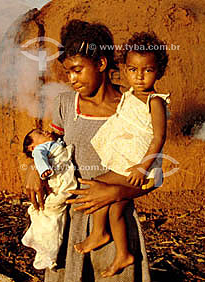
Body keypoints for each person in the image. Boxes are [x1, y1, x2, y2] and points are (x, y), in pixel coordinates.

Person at [24, 20, 155, 282]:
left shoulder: (133, 108)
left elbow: (154, 175)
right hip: (70, 223)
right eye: (68, 73)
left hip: (113, 225)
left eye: (77, 70)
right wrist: (32, 169)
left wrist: (116, 191)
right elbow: (52, 146)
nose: (72, 79)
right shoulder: (65, 105)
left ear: (101, 64)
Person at [76, 31, 170, 277]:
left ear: (159, 71)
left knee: (97, 186)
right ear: (125, 69)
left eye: (147, 70)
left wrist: (143, 167)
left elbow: (159, 138)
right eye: (133, 70)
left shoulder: (155, 102)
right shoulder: (128, 94)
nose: (139, 77)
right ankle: (124, 254)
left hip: (139, 168)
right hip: (125, 163)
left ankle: (98, 233)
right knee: (116, 209)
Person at [21, 128, 77, 270]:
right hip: (55, 180)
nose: (45, 131)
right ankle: (47, 250)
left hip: (63, 178)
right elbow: (39, 158)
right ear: (31, 147)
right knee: (52, 212)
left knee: (55, 218)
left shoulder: (55, 143)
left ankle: (47, 249)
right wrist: (44, 170)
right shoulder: (40, 149)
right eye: (40, 133)